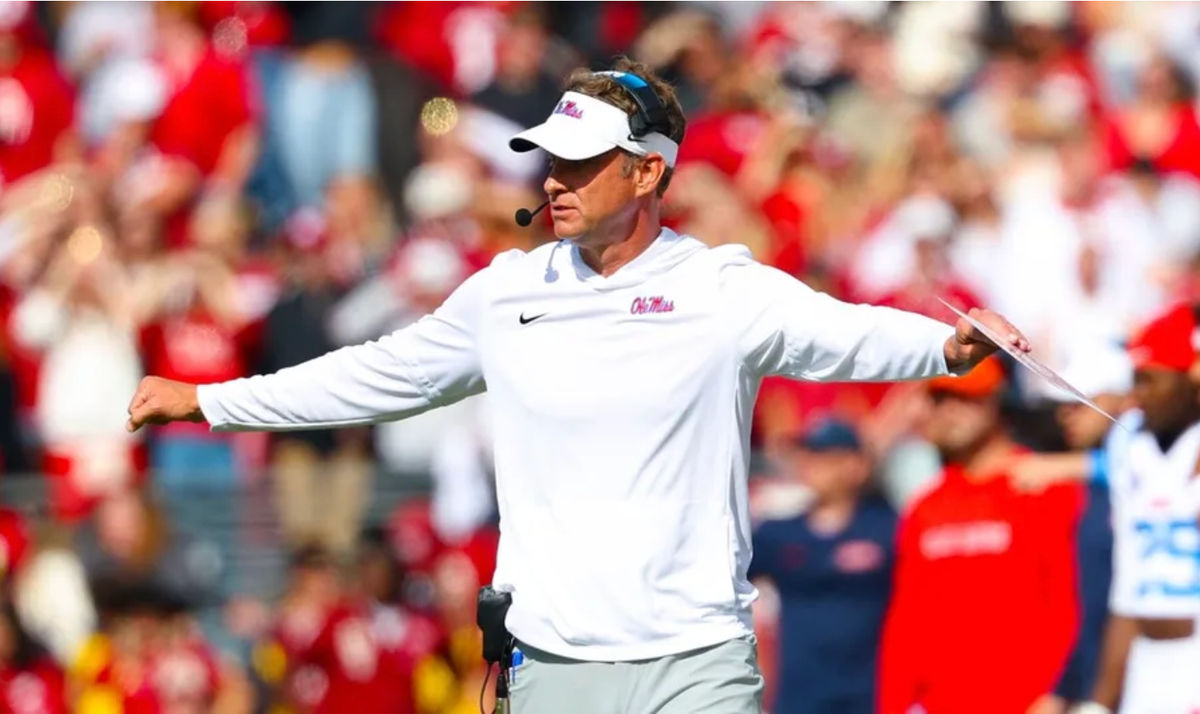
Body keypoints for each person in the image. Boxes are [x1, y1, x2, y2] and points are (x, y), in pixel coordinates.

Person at [125, 58, 1029, 713]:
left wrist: (945, 348)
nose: (554, 180)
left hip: (697, 664)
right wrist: (212, 399)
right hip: (552, 668)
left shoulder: (721, 287)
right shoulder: (505, 292)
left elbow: (843, 332)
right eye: (550, 160)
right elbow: (377, 376)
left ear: (648, 172)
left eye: (582, 163)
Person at [878, 356, 1083, 714]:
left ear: (999, 403)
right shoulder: (925, 506)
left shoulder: (1047, 487)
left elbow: (1072, 603)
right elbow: (905, 629)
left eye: (966, 397)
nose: (949, 411)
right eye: (939, 399)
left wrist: (1058, 693)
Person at [1072, 304, 1200, 714]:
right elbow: (1127, 593)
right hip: (1146, 664)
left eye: (1151, 381)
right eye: (1135, 381)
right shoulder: (1132, 448)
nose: (1139, 396)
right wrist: (1102, 700)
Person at [749, 419, 896, 714]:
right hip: (799, 697)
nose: (813, 464)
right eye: (809, 454)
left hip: (870, 695)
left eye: (826, 455)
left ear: (858, 465)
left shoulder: (888, 528)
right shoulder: (779, 534)